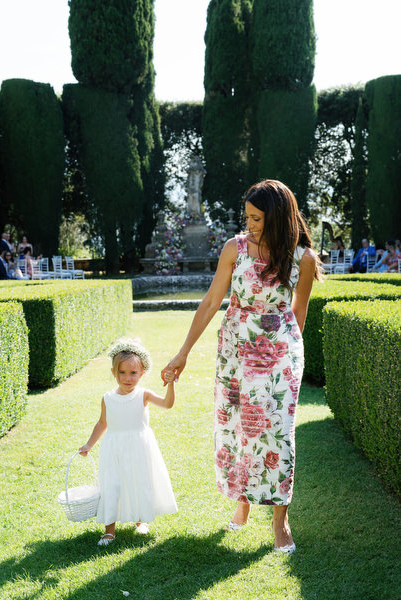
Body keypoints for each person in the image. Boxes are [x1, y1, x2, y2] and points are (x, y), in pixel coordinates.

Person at [161, 179, 321, 555]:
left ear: (278, 217)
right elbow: (213, 299)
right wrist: (183, 351)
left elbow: (299, 313)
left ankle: (280, 522)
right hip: (235, 350)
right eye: (246, 217)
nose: (248, 224)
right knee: (237, 426)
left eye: (256, 218)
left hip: (280, 353)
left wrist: (284, 357)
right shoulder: (235, 249)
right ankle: (243, 502)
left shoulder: (304, 258)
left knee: (278, 431)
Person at [79, 339, 178, 547]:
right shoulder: (107, 398)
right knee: (112, 485)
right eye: (122, 373)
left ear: (142, 373)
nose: (127, 378)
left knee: (138, 481)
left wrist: (170, 384)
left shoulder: (144, 395)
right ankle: (109, 531)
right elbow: (102, 423)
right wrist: (89, 444)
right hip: (114, 447)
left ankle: (140, 520)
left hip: (139, 446)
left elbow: (168, 404)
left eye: (133, 373)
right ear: (114, 372)